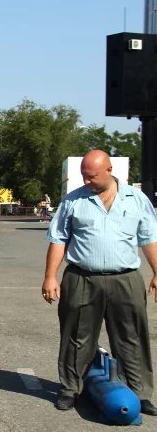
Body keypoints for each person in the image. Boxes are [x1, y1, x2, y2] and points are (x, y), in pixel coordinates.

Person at [43, 149, 157, 415]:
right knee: (77, 338)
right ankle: (71, 390)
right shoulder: (73, 201)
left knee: (131, 337)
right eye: (83, 176)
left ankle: (140, 394)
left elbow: (148, 238)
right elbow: (58, 239)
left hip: (125, 279)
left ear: (108, 171)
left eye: (92, 176)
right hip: (82, 278)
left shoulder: (135, 199)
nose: (86, 181)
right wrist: (50, 276)